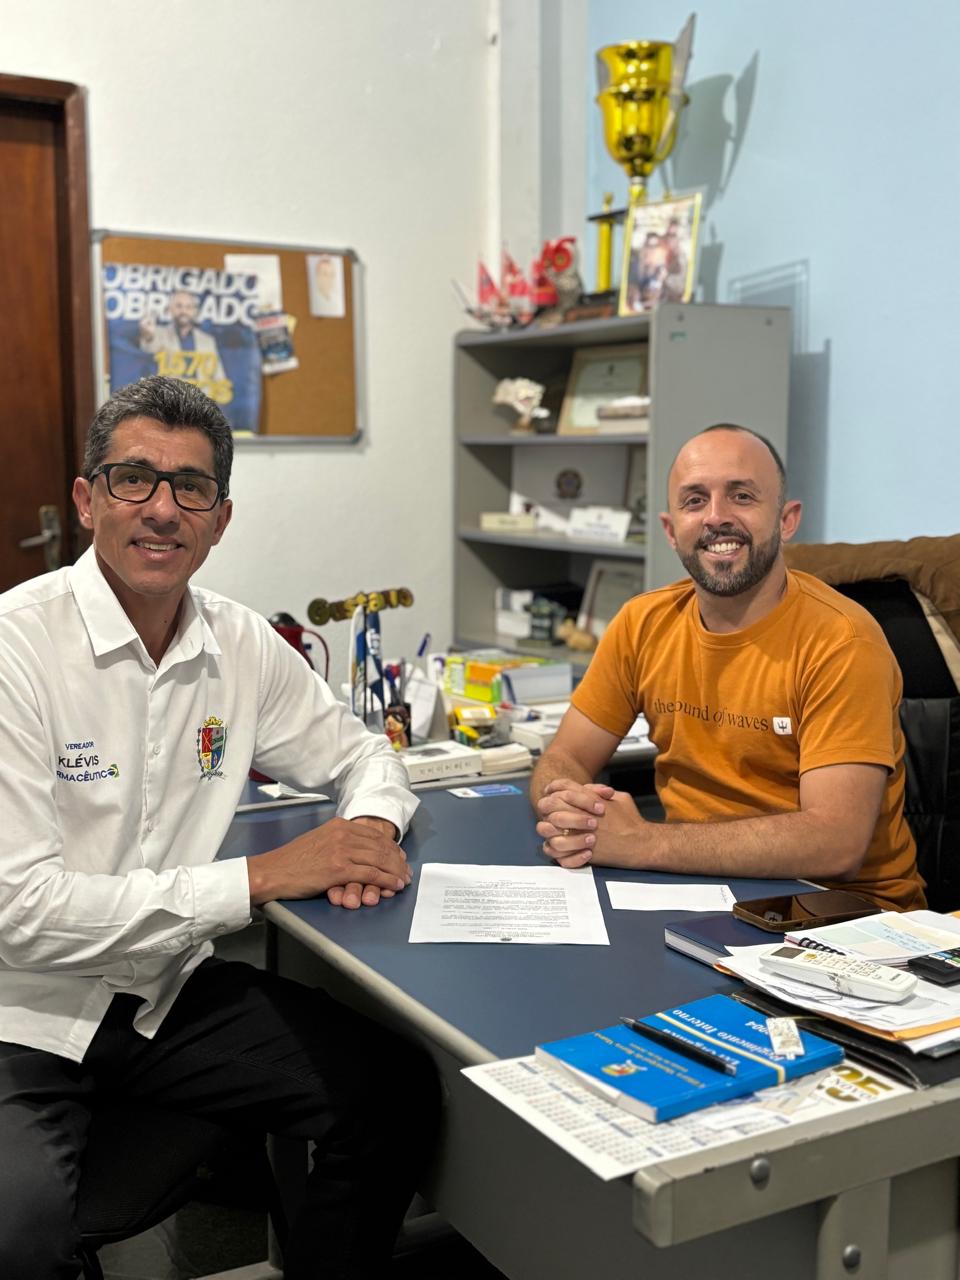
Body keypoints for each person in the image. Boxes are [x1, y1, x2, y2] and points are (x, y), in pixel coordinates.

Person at [0, 375, 436, 1279]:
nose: (162, 509)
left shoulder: (240, 646)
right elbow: (21, 913)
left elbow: (365, 756)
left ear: (221, 518)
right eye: (133, 479)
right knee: (18, 1235)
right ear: (86, 500)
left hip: (162, 996)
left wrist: (368, 832)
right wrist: (263, 876)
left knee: (391, 1092)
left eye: (190, 487)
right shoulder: (18, 647)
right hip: (24, 1010)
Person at [532, 423, 925, 912]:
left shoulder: (841, 641)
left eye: (741, 496)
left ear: (786, 520)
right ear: (671, 530)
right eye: (695, 500)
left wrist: (642, 842)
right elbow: (565, 754)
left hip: (840, 913)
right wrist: (568, 807)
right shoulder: (641, 622)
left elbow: (836, 843)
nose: (716, 517)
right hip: (693, 890)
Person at [139, 289, 228, 396]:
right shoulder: (159, 334)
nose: (183, 311)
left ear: (195, 311)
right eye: (179, 306)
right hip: (171, 399)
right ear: (170, 309)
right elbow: (149, 348)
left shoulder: (207, 341)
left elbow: (218, 375)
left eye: (188, 307)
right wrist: (147, 334)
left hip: (201, 400)